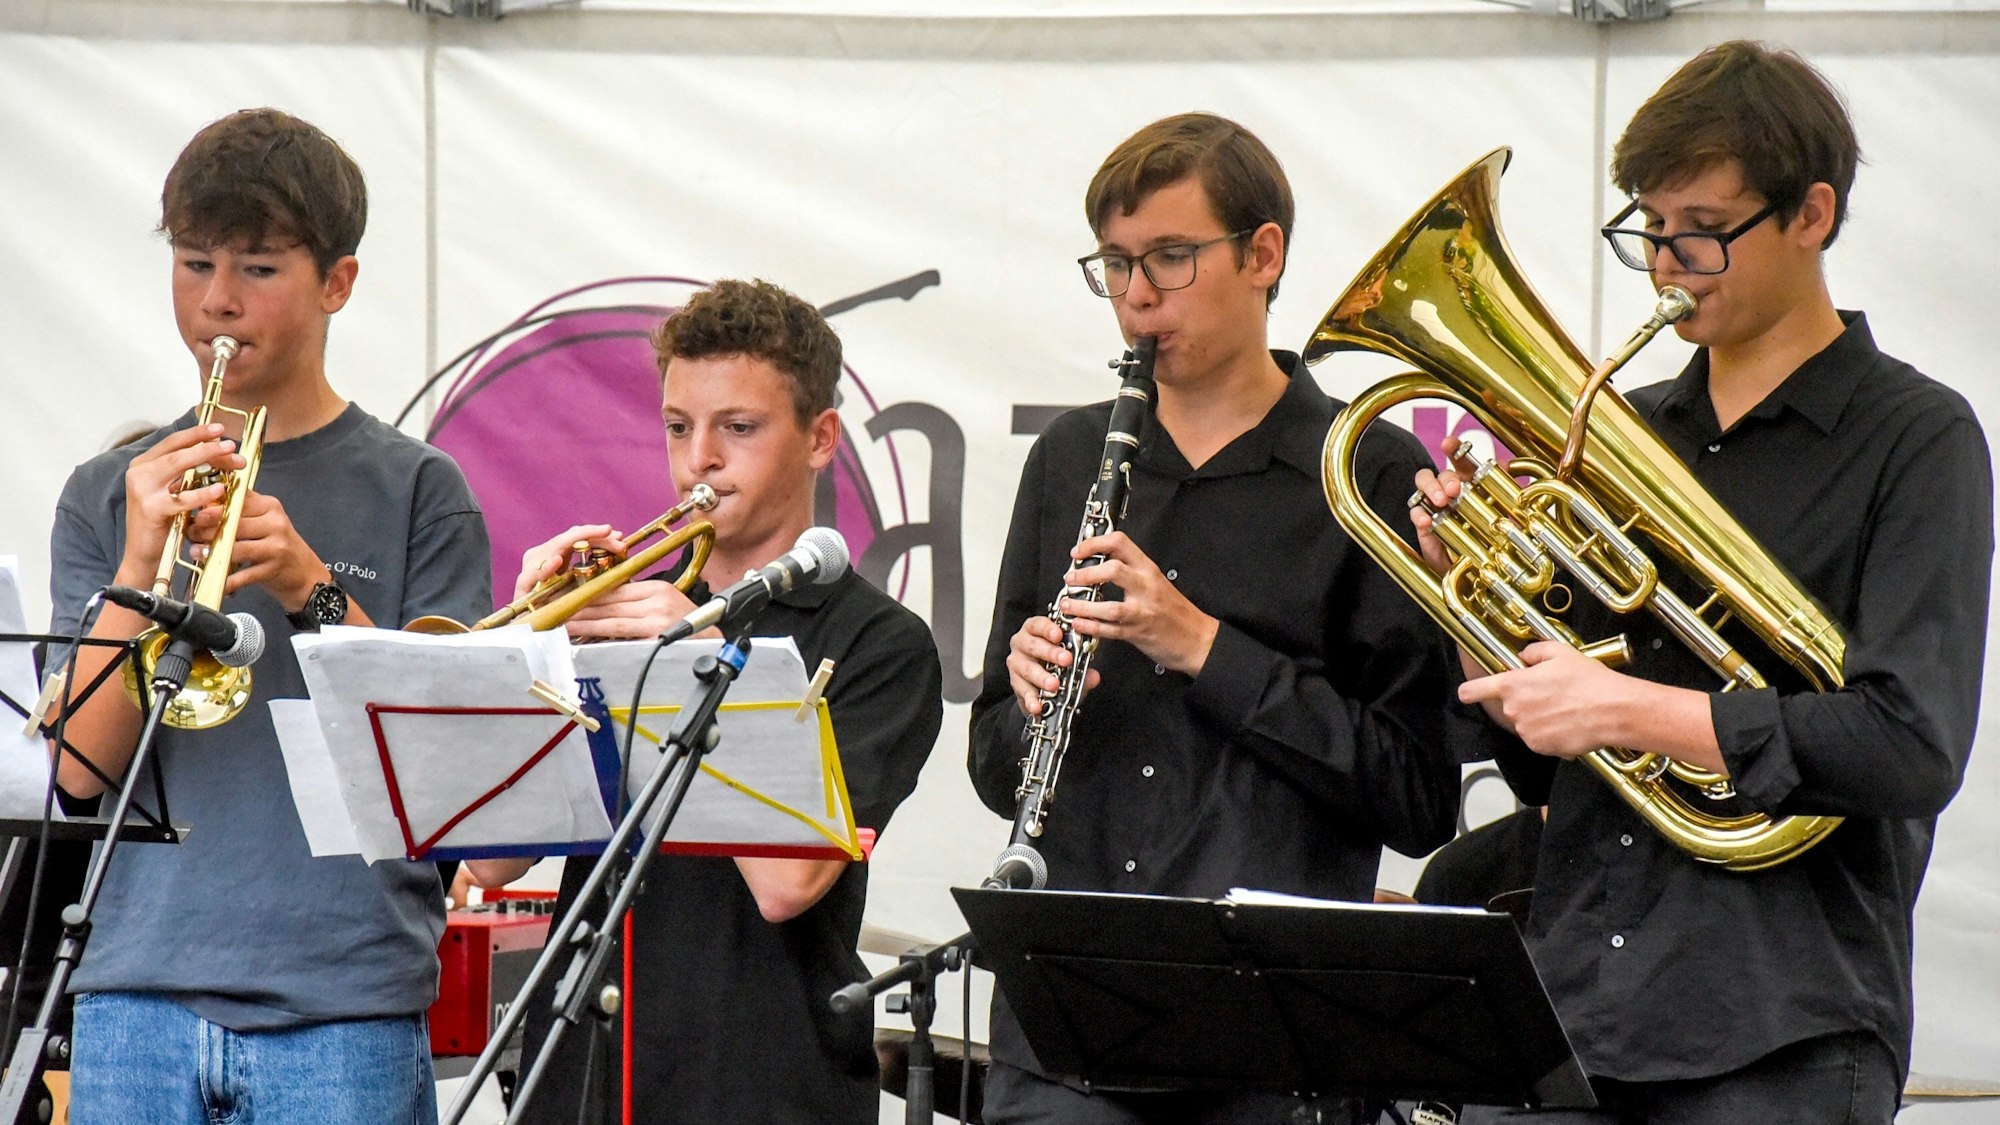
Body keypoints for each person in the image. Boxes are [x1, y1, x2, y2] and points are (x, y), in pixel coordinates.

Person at [1416, 42, 1992, 1123]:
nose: (1666, 265)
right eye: (1647, 226)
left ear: (1809, 215)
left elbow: (1908, 746)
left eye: (1701, 230)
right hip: (1572, 1011)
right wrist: (1468, 605)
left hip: (1778, 1029)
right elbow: (1544, 774)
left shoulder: (1915, 439)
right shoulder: (1616, 431)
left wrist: (1636, 706)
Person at [966, 112, 1460, 1125]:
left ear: (1261, 254)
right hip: (1068, 1033)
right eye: (1113, 264)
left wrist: (1200, 647)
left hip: (1278, 1047)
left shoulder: (1367, 472)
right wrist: (1025, 705)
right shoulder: (1068, 459)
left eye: (1171, 258)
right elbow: (989, 764)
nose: (1137, 295)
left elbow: (1415, 797)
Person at [45, 108, 493, 1122]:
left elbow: (444, 771)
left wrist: (309, 588)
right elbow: (78, 773)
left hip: (343, 1000)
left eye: (257, 269)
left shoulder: (421, 488)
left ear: (337, 282)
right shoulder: (108, 488)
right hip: (135, 991)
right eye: (194, 264)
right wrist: (137, 560)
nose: (216, 304)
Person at [467, 278, 944, 1124]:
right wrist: (534, 646)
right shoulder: (631, 615)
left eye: (739, 428)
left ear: (819, 438)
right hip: (582, 1072)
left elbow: (788, 883)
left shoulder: (881, 644)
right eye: (679, 427)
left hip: (761, 1079)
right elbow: (493, 861)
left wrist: (701, 654)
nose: (700, 460)